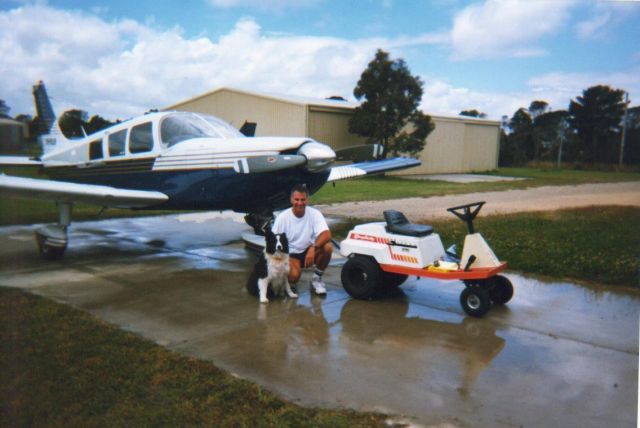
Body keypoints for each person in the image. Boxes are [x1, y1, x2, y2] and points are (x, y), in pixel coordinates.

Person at [271, 184, 333, 295]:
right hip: (290, 255)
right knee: (294, 277)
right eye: (297, 199)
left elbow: (327, 234)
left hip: (309, 252)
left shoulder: (315, 214)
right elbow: (273, 242)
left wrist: (314, 247)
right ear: (291, 200)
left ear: (307, 200)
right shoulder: (282, 217)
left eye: (303, 199)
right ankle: (287, 280)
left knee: (327, 247)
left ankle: (316, 279)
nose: (300, 203)